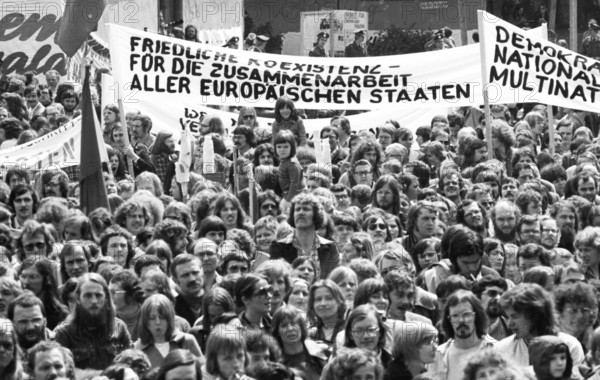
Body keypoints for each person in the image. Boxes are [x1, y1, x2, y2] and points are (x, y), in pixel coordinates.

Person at [54, 273, 132, 370]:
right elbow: (58, 370)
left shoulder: (119, 327)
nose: (94, 301)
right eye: (88, 295)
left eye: (98, 295)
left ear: (106, 298)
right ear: (78, 299)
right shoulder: (64, 333)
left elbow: (131, 363)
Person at [497, 283, 584, 368]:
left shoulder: (570, 346)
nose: (509, 324)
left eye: (515, 317)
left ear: (535, 315)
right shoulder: (502, 349)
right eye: (508, 317)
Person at [430, 290, 496, 380]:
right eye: (455, 316)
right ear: (449, 319)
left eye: (466, 314)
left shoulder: (496, 349)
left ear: (476, 316)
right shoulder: (438, 355)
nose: (461, 320)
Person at [270, 193, 339, 279]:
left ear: (316, 215)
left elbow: (331, 280)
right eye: (297, 209)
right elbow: (277, 278)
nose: (300, 213)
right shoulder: (278, 247)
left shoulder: (330, 247)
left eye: (306, 209)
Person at [134, 294, 202, 368]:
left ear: (169, 318)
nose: (158, 322)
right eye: (152, 318)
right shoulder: (138, 349)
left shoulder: (186, 341)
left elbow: (203, 372)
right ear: (145, 321)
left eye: (162, 317)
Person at [271, 305, 328, 380]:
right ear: (277, 331)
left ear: (301, 326)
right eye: (284, 326)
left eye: (293, 323)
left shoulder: (322, 353)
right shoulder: (274, 363)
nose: (290, 329)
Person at [171, 254, 205, 327]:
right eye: (185, 275)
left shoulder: (217, 301)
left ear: (202, 273)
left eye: (195, 272)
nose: (192, 279)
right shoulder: (171, 310)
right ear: (175, 280)